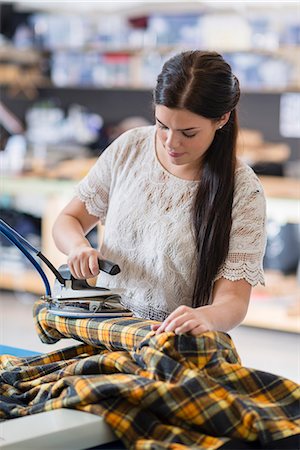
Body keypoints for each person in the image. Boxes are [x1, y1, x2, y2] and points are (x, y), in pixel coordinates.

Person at [52, 50, 267, 336]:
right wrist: (77, 246)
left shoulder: (243, 191)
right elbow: (69, 219)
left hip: (173, 340)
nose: (171, 142)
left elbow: (233, 301)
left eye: (188, 133)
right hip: (108, 330)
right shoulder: (129, 148)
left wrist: (207, 318)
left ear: (222, 119)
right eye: (162, 125)